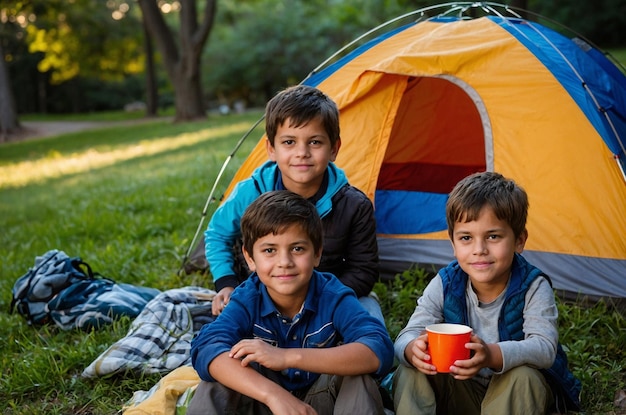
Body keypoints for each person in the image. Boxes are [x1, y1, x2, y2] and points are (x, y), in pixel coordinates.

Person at [188, 190, 394, 414]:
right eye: (269, 250)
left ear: (317, 253)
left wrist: (286, 357)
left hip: (324, 402)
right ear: (250, 258)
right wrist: (273, 395)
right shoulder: (247, 298)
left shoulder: (333, 295)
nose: (284, 262)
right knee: (214, 382)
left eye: (297, 249)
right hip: (265, 402)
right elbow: (206, 346)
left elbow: (378, 346)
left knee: (358, 378)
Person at [392, 171, 581, 415]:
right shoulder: (446, 282)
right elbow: (406, 336)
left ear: (519, 241)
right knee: (410, 369)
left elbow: (545, 349)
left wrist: (491, 355)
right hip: (461, 389)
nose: (479, 249)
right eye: (466, 238)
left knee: (524, 376)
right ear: (453, 244)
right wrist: (411, 349)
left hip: (511, 395)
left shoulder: (532, 286)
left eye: (493, 236)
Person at [205, 84, 382, 321]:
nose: (302, 153)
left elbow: (363, 270)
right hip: (263, 295)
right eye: (289, 142)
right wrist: (226, 283)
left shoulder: (354, 205)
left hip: (332, 297)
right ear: (271, 148)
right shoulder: (251, 192)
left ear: (334, 148)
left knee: (370, 323)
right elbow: (217, 234)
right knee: (224, 333)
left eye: (315, 142)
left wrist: (323, 301)